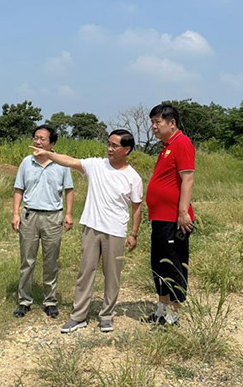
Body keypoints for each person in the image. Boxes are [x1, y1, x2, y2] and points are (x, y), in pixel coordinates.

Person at [29, 130, 143, 334]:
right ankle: (78, 316)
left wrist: (133, 234)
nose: (109, 148)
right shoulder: (96, 165)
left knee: (112, 276)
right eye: (108, 143)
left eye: (114, 146)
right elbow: (69, 161)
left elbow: (137, 208)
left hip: (115, 231)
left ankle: (106, 316)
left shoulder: (132, 177)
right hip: (91, 227)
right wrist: (48, 154)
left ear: (126, 149)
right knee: (85, 273)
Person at [12, 125, 74, 319]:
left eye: (42, 139)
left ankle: (50, 301)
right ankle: (24, 300)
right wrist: (15, 213)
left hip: (53, 217)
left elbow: (69, 190)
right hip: (29, 216)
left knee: (51, 261)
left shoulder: (61, 164)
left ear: (52, 143)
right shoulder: (26, 162)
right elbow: (18, 189)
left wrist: (69, 213)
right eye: (36, 138)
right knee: (27, 260)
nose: (37, 142)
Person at [144, 104, 195, 326]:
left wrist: (182, 212)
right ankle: (161, 310)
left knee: (174, 265)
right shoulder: (167, 146)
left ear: (171, 123)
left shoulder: (182, 143)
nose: (154, 127)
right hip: (160, 218)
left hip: (173, 219)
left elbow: (188, 179)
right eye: (152, 123)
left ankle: (174, 315)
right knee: (159, 265)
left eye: (158, 122)